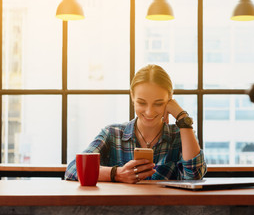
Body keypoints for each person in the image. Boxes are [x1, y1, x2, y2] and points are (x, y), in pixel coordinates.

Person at [65, 64, 207, 183]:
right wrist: (116, 173)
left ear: (170, 98)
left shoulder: (180, 135)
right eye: (141, 103)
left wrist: (182, 118)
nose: (149, 112)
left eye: (158, 103)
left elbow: (194, 176)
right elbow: (73, 169)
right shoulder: (113, 134)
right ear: (132, 96)